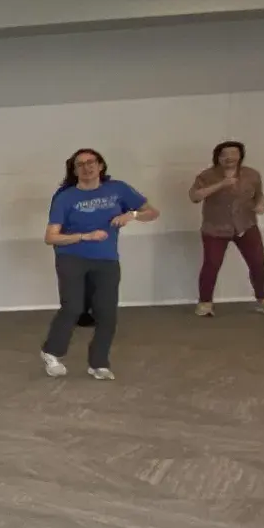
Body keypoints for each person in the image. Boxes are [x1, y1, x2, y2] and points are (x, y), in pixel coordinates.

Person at [41, 148, 159, 380]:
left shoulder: (118, 189)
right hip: (71, 257)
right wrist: (84, 236)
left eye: (91, 162)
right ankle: (51, 352)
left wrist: (132, 215)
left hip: (106, 259)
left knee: (107, 313)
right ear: (74, 170)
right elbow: (50, 237)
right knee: (73, 307)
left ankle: (99, 363)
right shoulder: (65, 197)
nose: (87, 167)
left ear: (101, 165)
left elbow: (152, 213)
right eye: (80, 164)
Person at [191, 141, 264, 318]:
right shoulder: (207, 175)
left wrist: (261, 205)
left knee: (258, 263)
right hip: (215, 228)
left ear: (240, 155)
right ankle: (205, 302)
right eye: (225, 154)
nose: (229, 158)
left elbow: (259, 196)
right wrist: (221, 184)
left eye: (234, 153)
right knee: (212, 265)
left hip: (246, 225)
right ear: (218, 157)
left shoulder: (252, 174)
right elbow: (194, 196)